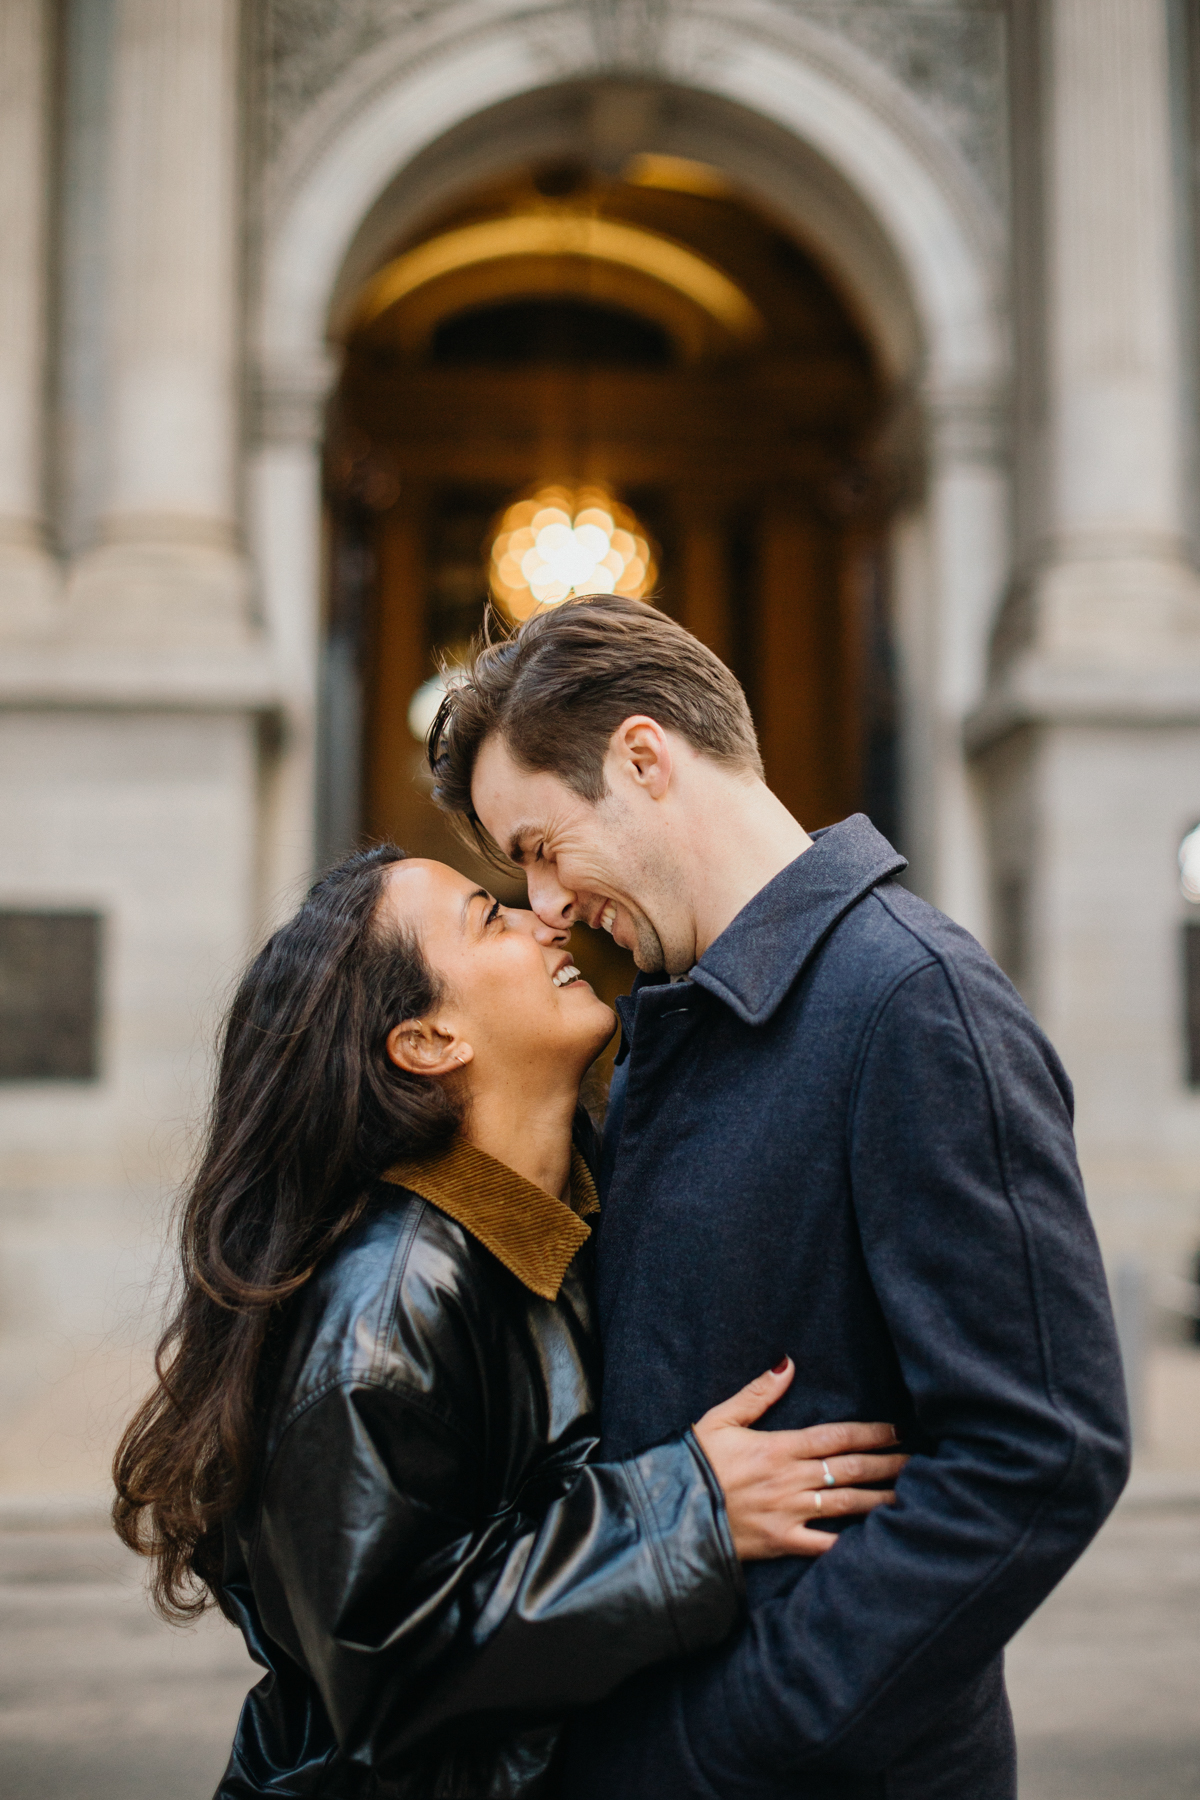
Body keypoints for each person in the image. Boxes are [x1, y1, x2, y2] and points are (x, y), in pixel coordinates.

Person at [428, 593, 1132, 1800]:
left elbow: (1044, 1451)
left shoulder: (914, 1003)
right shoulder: (668, 1016)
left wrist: (739, 1737)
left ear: (644, 759)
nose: (545, 904)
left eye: (543, 846)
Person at [111, 845, 905, 1798]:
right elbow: (384, 1663)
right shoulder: (380, 1311)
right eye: (491, 918)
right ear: (429, 1040)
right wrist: (687, 1516)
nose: (546, 920)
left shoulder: (582, 1216)